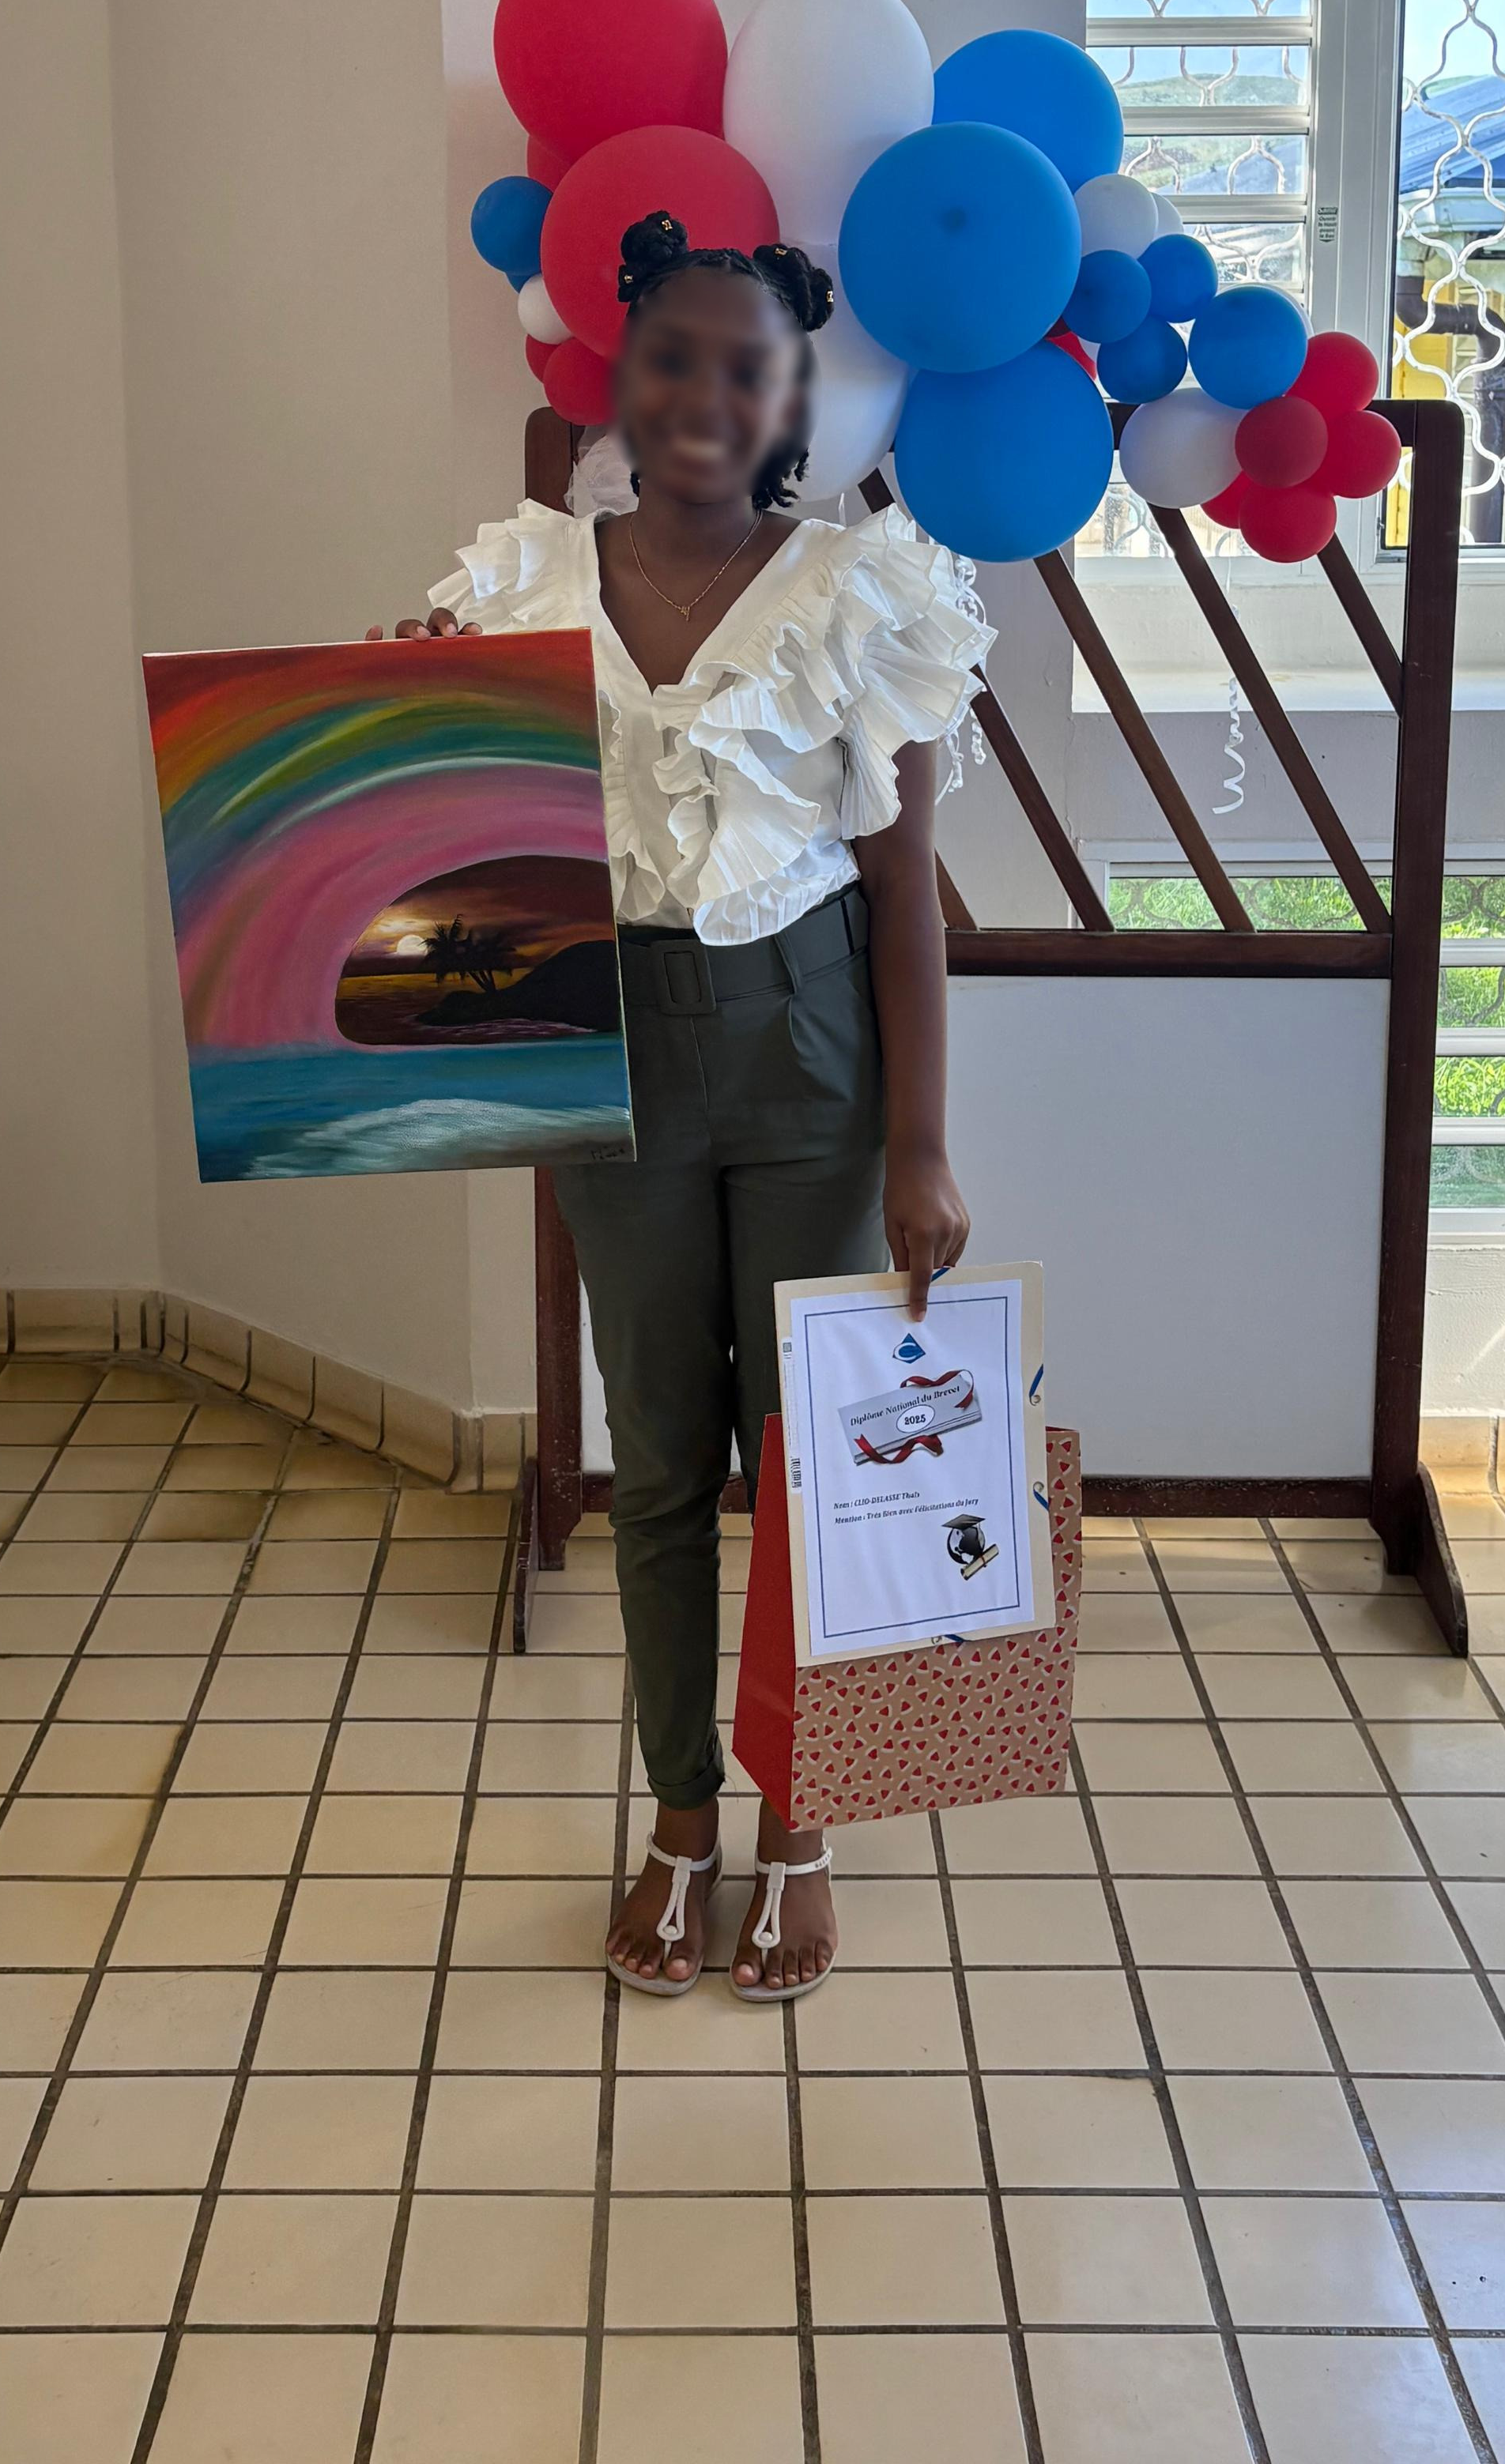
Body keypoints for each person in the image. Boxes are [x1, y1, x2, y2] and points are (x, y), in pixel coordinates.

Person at [372, 209, 986, 1998]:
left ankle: (801, 1820)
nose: (705, 395)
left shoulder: (863, 591)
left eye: (748, 367)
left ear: (792, 402)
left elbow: (904, 893)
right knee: (653, 1457)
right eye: (672, 358)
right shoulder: (522, 582)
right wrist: (396, 707)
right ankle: (680, 1814)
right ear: (617, 379)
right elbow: (446, 846)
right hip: (608, 1046)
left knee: (812, 1459)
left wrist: (922, 1146)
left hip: (810, 1053)